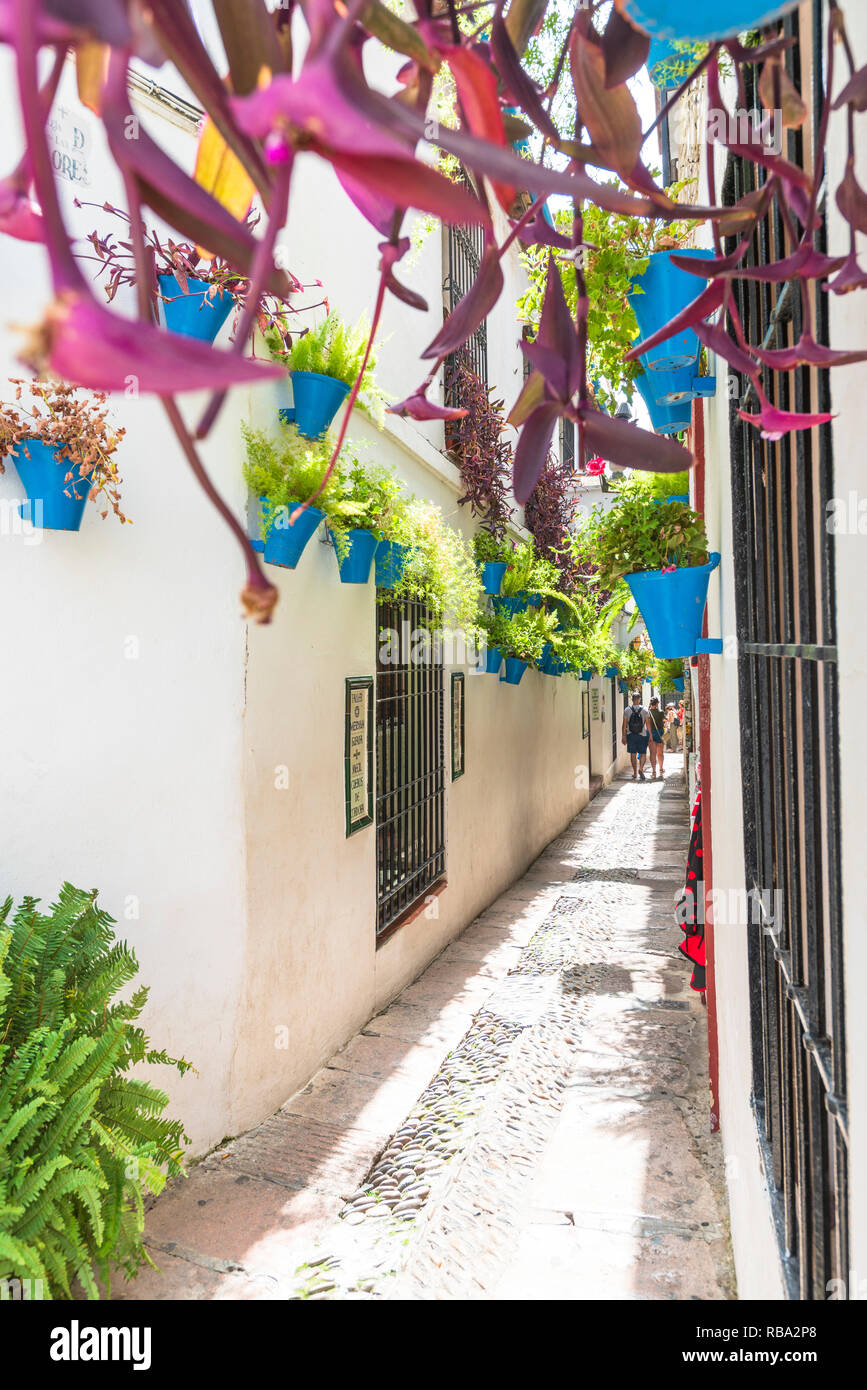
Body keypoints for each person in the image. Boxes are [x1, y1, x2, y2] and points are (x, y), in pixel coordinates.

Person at [622, 690, 652, 781]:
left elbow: (624, 725)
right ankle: (641, 769)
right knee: (643, 753)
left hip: (630, 735)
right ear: (639, 699)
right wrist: (650, 735)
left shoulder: (627, 710)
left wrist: (623, 736)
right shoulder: (645, 710)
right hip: (642, 734)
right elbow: (648, 724)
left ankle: (635, 772)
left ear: (632, 699)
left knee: (633, 754)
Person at [647, 696, 666, 780]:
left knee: (652, 753)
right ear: (657, 703)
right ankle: (661, 769)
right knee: (660, 752)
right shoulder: (661, 712)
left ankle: (654, 772)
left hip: (650, 733)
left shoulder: (647, 712)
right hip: (660, 733)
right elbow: (664, 720)